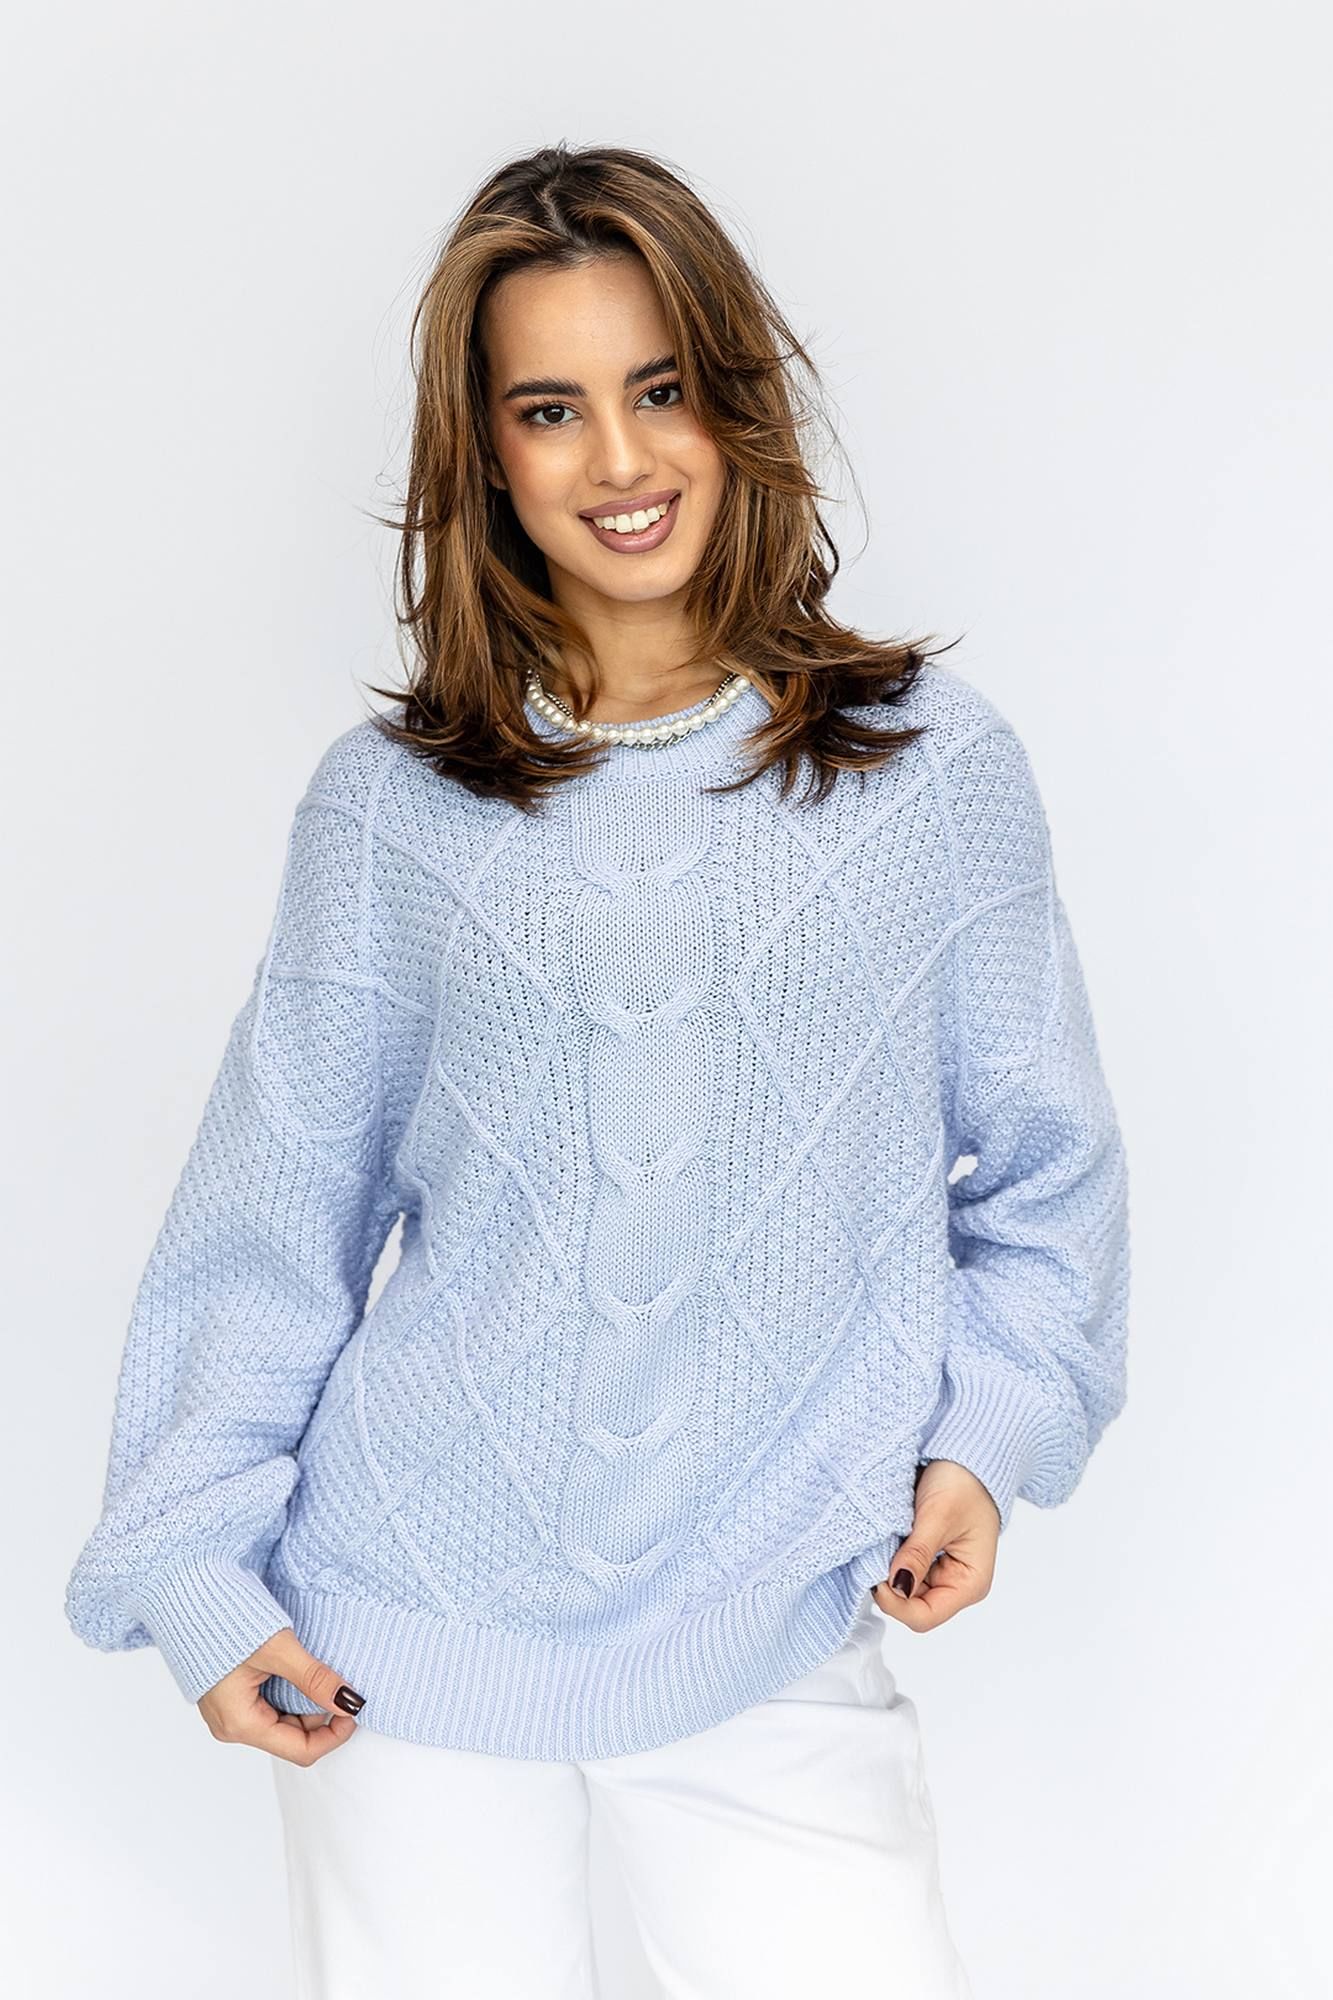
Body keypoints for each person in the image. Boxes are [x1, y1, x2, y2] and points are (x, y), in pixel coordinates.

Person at [64, 143, 1130, 1999]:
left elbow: (1048, 1168)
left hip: (777, 1616)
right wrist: (194, 1565)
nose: (619, 461)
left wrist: (987, 1435)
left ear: (738, 400)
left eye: (661, 390)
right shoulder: (391, 815)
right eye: (549, 410)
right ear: (484, 453)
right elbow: (271, 1214)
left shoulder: (927, 775)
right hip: (406, 1634)